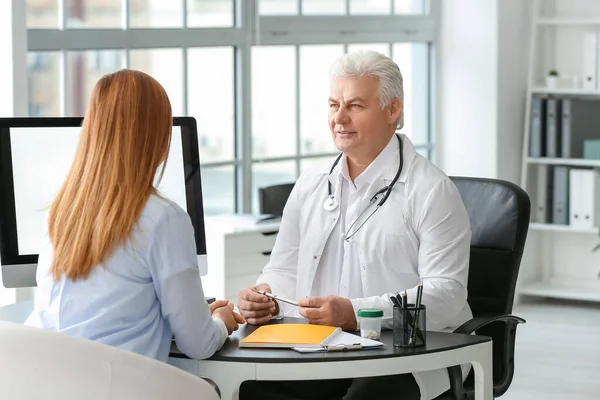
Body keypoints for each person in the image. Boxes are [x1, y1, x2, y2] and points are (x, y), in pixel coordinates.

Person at [237, 51, 473, 400]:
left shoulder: (430, 190)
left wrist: (355, 313)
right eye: (334, 105)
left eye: (355, 106)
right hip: (322, 346)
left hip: (409, 353)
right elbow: (283, 266)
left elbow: (447, 295)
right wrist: (266, 296)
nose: (339, 118)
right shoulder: (312, 183)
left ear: (392, 111)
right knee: (248, 388)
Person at [25, 69, 244, 362]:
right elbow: (199, 345)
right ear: (156, 137)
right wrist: (219, 321)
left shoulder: (61, 211)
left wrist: (190, 316)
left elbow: (110, 311)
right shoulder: (163, 218)